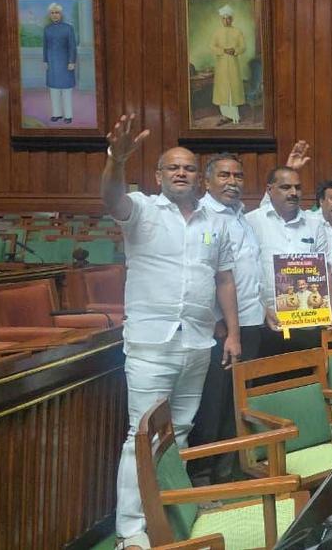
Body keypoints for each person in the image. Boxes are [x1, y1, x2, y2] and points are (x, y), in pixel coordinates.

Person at [101, 115, 241, 550]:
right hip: (150, 343)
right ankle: (131, 531)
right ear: (159, 175)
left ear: (199, 178)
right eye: (172, 167)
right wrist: (116, 160)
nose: (181, 173)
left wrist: (232, 335)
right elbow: (111, 199)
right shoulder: (141, 209)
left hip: (199, 342)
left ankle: (170, 511)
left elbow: (224, 281)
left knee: (177, 431)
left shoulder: (213, 222)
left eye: (188, 168)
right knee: (139, 437)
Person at [188, 153, 265, 486]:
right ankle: (203, 475)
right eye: (224, 175)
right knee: (214, 404)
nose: (232, 182)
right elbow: (205, 271)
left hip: (252, 320)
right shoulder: (204, 219)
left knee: (239, 400)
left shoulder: (240, 215)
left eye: (237, 176)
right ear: (207, 181)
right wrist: (219, 324)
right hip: (221, 328)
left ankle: (230, 469)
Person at [246, 167, 331, 351]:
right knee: (268, 378)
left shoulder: (315, 225)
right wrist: (262, 310)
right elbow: (245, 273)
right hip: (266, 320)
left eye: (298, 188)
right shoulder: (251, 221)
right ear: (270, 190)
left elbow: (326, 270)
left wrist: (331, 309)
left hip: (309, 321)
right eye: (286, 187)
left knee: (309, 378)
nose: (293, 193)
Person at [210, 5, 247, 125]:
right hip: (221, 66)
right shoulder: (217, 32)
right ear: (221, 19)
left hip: (233, 64)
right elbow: (212, 47)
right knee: (222, 90)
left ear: (232, 19)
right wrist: (223, 51)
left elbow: (243, 47)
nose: (226, 20)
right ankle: (225, 116)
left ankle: (235, 116)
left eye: (228, 18)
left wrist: (235, 50)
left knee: (233, 89)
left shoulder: (237, 32)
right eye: (224, 18)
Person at [43, 2, 77, 124]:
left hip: (65, 63)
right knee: (54, 90)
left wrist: (72, 61)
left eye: (57, 12)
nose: (55, 15)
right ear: (50, 15)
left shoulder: (68, 28)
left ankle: (68, 116)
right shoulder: (47, 29)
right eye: (52, 13)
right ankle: (56, 114)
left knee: (66, 91)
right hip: (52, 63)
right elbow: (45, 47)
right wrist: (45, 60)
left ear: (61, 14)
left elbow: (72, 47)